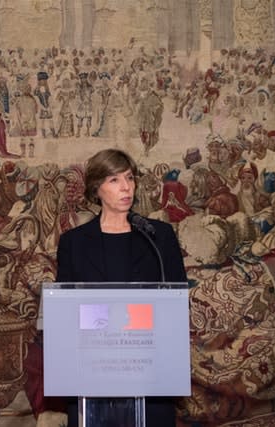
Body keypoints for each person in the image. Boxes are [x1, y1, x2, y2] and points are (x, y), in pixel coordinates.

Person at [56, 148, 187, 427]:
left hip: (149, 373)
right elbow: (64, 314)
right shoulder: (73, 242)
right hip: (91, 372)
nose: (126, 187)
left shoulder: (158, 236)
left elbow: (177, 303)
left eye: (129, 178)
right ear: (96, 189)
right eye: (114, 180)